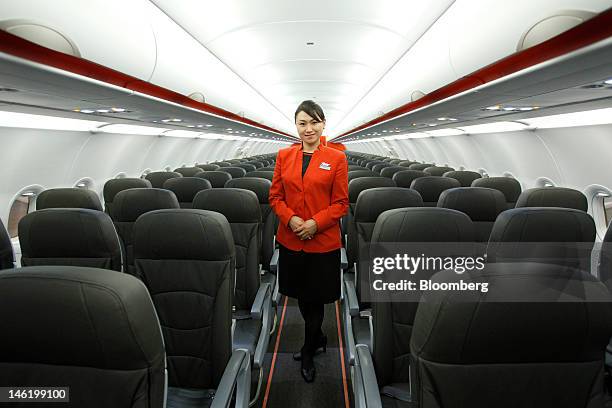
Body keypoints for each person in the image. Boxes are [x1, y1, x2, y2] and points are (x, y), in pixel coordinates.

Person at [269, 100, 349, 383]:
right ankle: (318, 338)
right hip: (292, 239)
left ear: (323, 124)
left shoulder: (337, 158)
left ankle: (307, 349)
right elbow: (275, 197)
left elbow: (341, 203)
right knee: (302, 296)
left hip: (322, 241)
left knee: (317, 299)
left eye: (314, 122)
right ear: (296, 126)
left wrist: (315, 223)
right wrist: (291, 220)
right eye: (302, 123)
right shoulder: (284, 156)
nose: (309, 128)